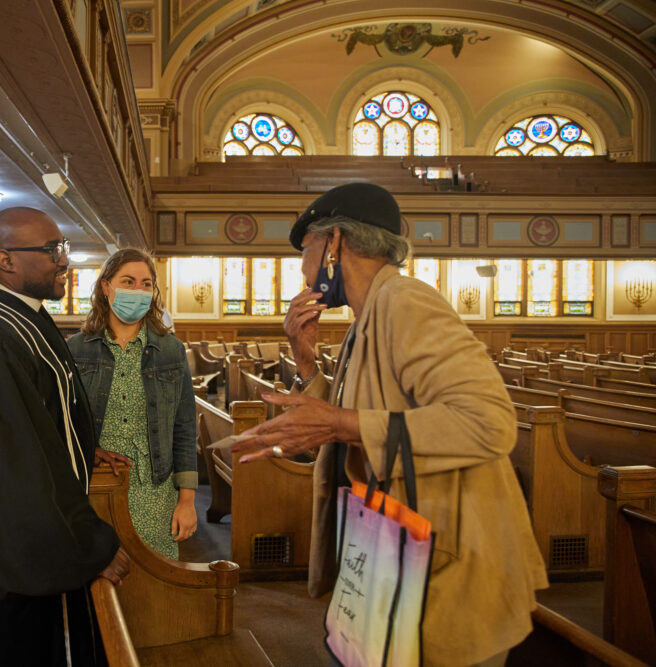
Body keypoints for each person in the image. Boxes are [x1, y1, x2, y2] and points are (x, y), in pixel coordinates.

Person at [230, 183, 547, 667]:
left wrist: (338, 422)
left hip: (449, 564)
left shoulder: (405, 301)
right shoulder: (368, 314)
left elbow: (489, 421)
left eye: (307, 250)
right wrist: (306, 360)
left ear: (335, 242)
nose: (302, 268)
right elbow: (356, 417)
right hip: (399, 554)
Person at [0, 207, 130, 666]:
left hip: (41, 545)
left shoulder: (23, 318)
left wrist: (82, 446)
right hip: (22, 560)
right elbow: (15, 464)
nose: (63, 260)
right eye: (52, 251)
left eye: (61, 248)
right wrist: (90, 549)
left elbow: (44, 417)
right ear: (6, 260)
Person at [66, 248, 198, 560]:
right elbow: (65, 421)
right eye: (128, 281)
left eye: (146, 284)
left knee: (154, 580)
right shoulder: (76, 349)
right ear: (106, 287)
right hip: (95, 482)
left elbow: (184, 426)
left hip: (154, 485)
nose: (137, 290)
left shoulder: (170, 350)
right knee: (99, 575)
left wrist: (188, 501)